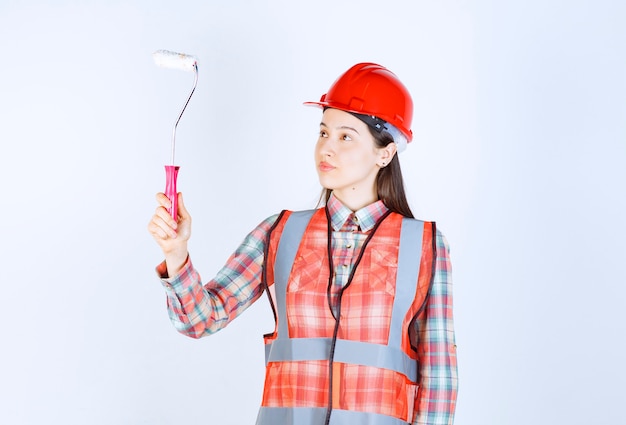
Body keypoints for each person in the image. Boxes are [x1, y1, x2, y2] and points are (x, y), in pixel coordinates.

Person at [148, 62, 458, 425]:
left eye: (346, 137)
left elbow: (439, 378)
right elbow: (200, 320)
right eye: (323, 132)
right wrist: (176, 254)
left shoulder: (424, 245)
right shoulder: (280, 233)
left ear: (385, 153)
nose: (326, 148)